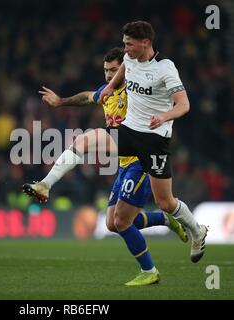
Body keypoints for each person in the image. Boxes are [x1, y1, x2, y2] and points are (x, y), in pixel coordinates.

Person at [23, 47, 189, 285]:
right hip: (123, 160)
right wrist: (60, 102)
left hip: (141, 157)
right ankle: (165, 220)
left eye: (114, 70)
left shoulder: (135, 89)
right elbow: (86, 97)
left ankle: (150, 271)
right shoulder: (107, 91)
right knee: (113, 223)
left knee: (87, 142)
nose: (110, 75)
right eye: (106, 71)